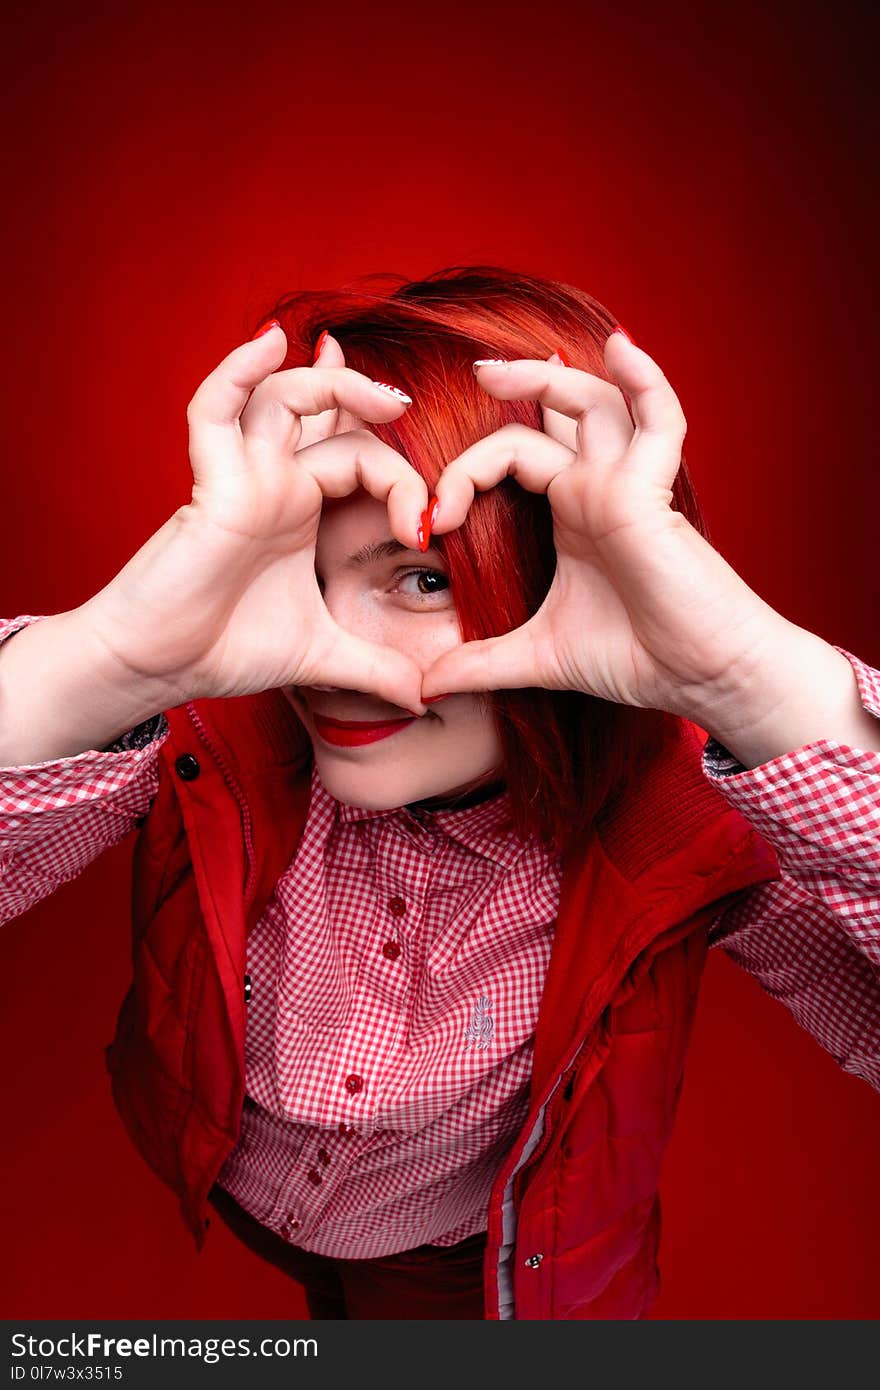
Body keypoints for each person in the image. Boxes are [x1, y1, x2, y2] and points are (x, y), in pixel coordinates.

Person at [0, 265, 878, 1321]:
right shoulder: (212, 722)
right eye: (300, 571)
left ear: (573, 574)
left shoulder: (689, 813)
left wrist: (743, 674)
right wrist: (114, 657)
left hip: (477, 1268)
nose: (329, 654)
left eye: (422, 577)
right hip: (224, 1189)